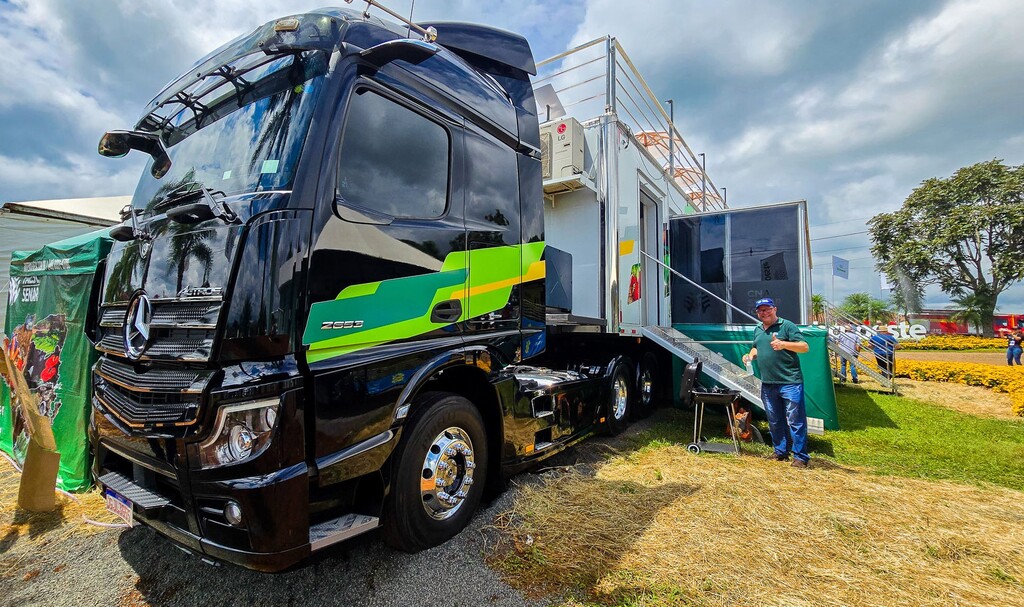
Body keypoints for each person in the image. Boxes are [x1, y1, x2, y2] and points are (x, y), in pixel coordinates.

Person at [742, 298, 811, 468]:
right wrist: (750, 356)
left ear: (775, 309)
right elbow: (756, 347)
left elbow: (804, 347)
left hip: (790, 382)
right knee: (774, 420)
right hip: (768, 383)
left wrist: (783, 344)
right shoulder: (757, 329)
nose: (764, 313)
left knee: (795, 420)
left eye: (767, 309)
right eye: (760, 311)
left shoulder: (787, 326)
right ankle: (780, 452)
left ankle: (801, 457)